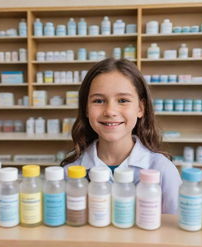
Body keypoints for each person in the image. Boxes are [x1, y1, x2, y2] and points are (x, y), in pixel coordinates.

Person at [61, 58, 181, 214]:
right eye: (98, 100)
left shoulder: (163, 170)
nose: (110, 111)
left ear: (140, 108)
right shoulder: (69, 172)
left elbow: (178, 233)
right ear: (86, 109)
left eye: (123, 100)